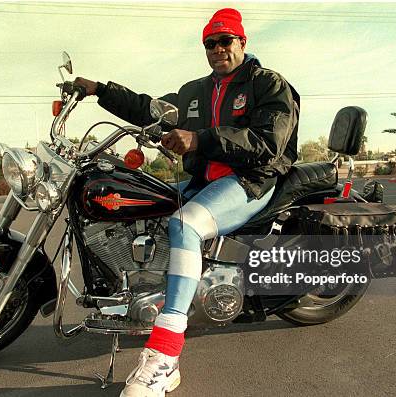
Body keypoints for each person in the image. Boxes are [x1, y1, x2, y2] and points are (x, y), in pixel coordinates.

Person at [74, 8, 300, 397]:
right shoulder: (195, 91)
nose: (217, 49)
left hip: (249, 180)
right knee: (149, 211)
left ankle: (165, 356)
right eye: (210, 43)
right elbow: (149, 109)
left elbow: (268, 143)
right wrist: (99, 90)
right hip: (203, 178)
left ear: (242, 42)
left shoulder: (268, 84)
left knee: (185, 224)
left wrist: (199, 140)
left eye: (225, 40)